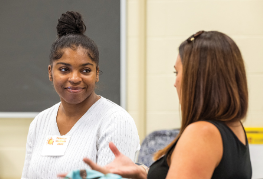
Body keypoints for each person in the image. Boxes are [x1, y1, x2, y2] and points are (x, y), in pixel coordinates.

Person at [76, 31, 252, 179]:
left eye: (177, 72)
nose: (175, 82)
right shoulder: (234, 128)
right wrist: (143, 172)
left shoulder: (202, 133)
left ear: (197, 80)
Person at [21, 11, 140, 179]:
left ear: (97, 73)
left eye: (85, 70)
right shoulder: (39, 123)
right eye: (64, 69)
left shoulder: (116, 121)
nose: (75, 78)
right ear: (50, 72)